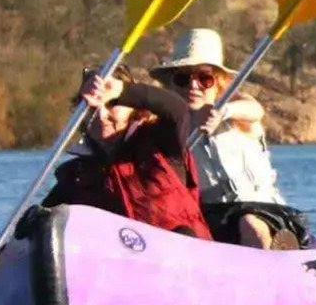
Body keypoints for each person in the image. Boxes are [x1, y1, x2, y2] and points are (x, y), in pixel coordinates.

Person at [152, 29, 306, 250]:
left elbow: (255, 110)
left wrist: (223, 112)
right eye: (183, 78)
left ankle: (273, 256)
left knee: (249, 224)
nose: (193, 86)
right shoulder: (167, 126)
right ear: (172, 84)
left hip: (260, 208)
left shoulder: (237, 110)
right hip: (210, 214)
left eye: (204, 78)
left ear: (218, 82)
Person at [40, 68, 212, 239]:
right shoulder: (76, 175)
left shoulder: (161, 143)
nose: (101, 116)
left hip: (186, 255)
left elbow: (178, 111)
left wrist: (119, 90)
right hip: (125, 261)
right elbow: (44, 216)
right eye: (92, 110)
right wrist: (34, 220)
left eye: (112, 105)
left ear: (133, 108)